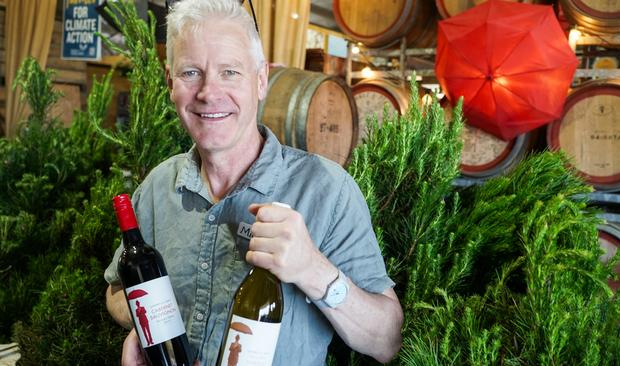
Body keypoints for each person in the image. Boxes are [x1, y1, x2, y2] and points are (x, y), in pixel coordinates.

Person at [104, 0, 403, 365]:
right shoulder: (156, 188)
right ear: (170, 83)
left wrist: (313, 269)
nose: (208, 92)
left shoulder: (328, 190)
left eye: (229, 72)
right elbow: (118, 292)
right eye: (190, 73)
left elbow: (386, 339)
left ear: (260, 80)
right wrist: (146, 326)